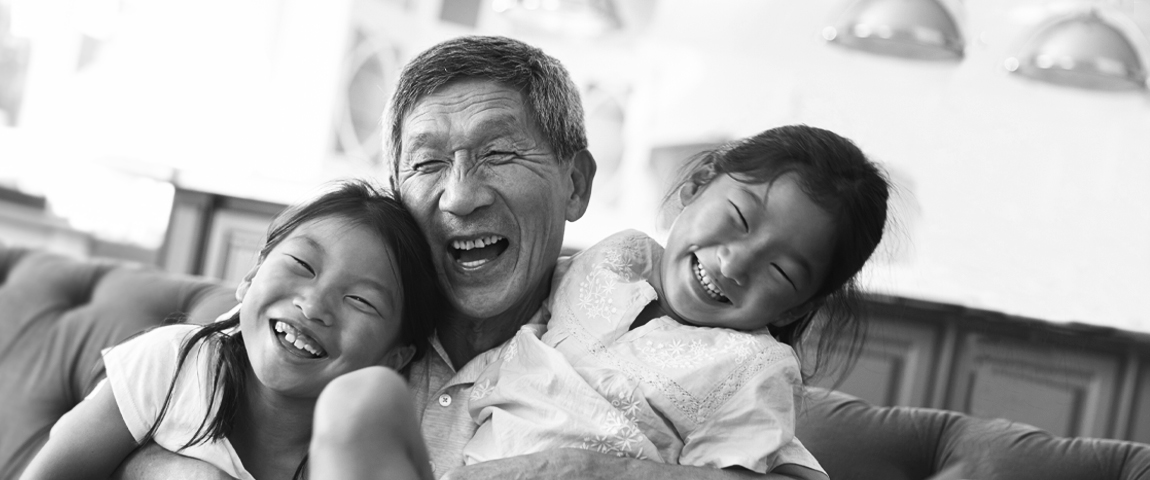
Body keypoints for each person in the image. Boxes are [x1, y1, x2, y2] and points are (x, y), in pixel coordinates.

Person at [116, 35, 829, 480]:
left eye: (498, 153)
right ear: (397, 190)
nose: (459, 198)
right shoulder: (333, 327)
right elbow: (188, 423)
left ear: (576, 182)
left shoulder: (645, 340)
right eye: (428, 164)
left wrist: (583, 471)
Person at [310, 125, 889, 480]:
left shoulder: (757, 369)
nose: (735, 262)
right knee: (359, 400)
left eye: (781, 270)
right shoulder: (616, 256)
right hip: (467, 462)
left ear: (792, 309)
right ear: (695, 186)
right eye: (737, 219)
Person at [20, 181, 446, 480]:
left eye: (361, 301)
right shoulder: (172, 365)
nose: (313, 306)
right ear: (251, 275)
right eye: (302, 265)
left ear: (395, 357)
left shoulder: (365, 448)